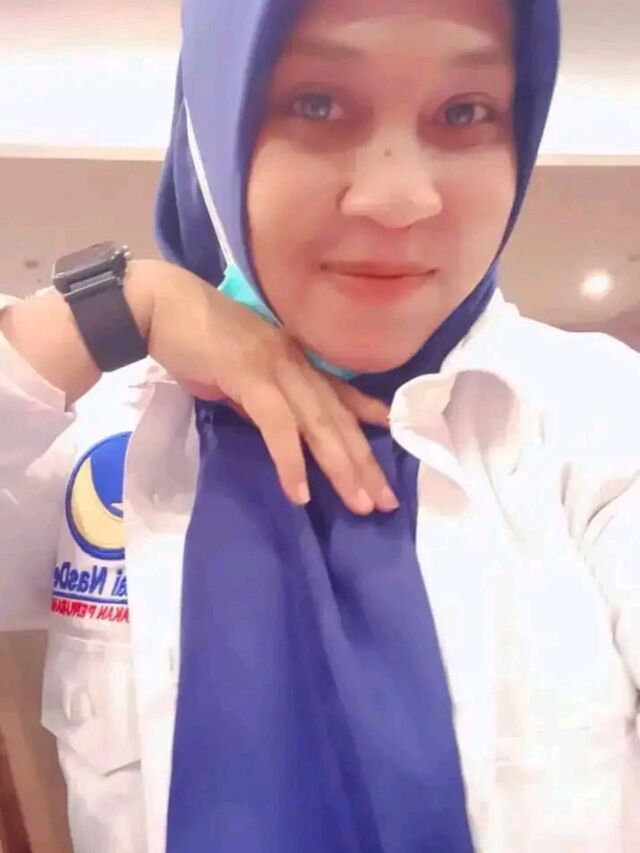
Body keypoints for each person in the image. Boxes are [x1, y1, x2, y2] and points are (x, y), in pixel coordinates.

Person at [1, 0, 639, 850]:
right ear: (215, 119)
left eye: (465, 112)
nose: (401, 198)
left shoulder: (592, 416)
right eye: (317, 103)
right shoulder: (98, 429)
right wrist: (111, 308)